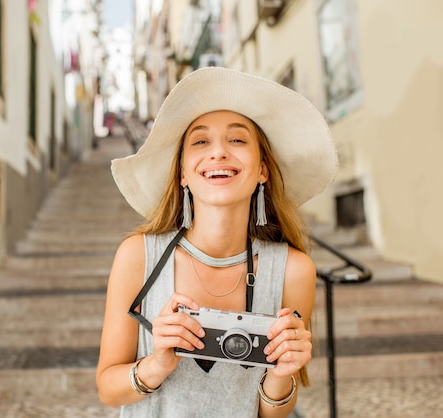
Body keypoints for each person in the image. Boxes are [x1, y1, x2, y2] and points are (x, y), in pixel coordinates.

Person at [96, 67, 337, 417]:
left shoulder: (293, 271)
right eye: (200, 141)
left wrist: (283, 373)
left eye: (238, 140)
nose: (219, 152)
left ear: (262, 169)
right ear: (182, 172)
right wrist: (156, 364)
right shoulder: (138, 257)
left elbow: (271, 412)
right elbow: (108, 389)